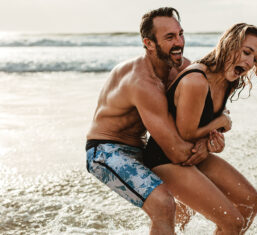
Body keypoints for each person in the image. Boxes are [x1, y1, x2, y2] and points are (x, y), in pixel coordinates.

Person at [143, 23, 257, 234]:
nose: (250, 62)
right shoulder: (196, 80)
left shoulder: (228, 81)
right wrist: (222, 122)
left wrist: (210, 140)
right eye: (246, 52)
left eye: (256, 58)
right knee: (233, 222)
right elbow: (186, 132)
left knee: (252, 202)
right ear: (229, 45)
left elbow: (203, 125)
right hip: (164, 160)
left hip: (190, 155)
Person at [85, 7, 224, 235]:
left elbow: (210, 112)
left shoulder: (183, 68)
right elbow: (179, 152)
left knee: (186, 206)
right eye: (169, 37)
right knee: (163, 204)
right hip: (107, 150)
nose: (179, 42)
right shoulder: (142, 82)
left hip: (146, 149)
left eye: (180, 34)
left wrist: (211, 137)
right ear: (148, 43)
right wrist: (205, 146)